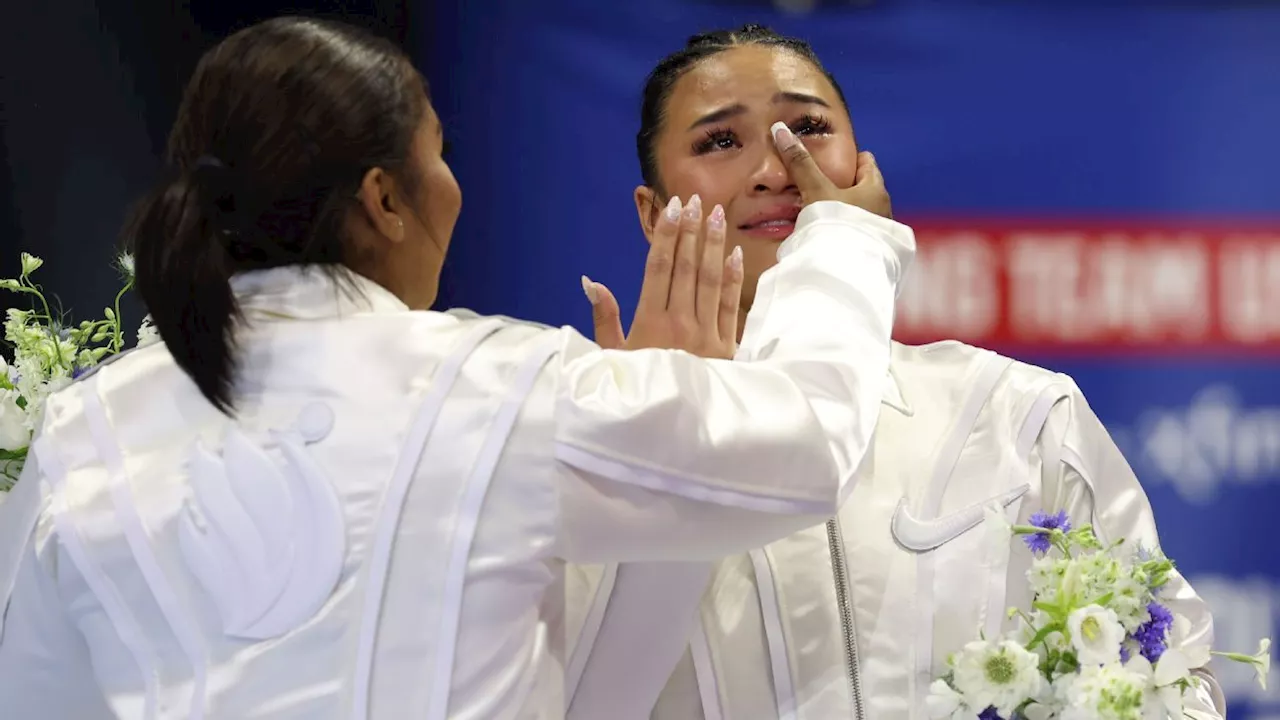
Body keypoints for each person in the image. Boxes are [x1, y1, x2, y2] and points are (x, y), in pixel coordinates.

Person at [0, 17, 916, 720]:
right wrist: (846, 239)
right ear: (385, 198)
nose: (455, 189)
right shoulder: (497, 387)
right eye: (440, 155)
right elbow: (808, 442)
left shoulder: (88, 429)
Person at [566, 25, 1227, 720]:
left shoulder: (1016, 413)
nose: (775, 168)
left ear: (863, 170)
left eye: (808, 128)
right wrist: (640, 454)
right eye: (721, 141)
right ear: (652, 213)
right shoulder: (588, 439)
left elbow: (1180, 682)